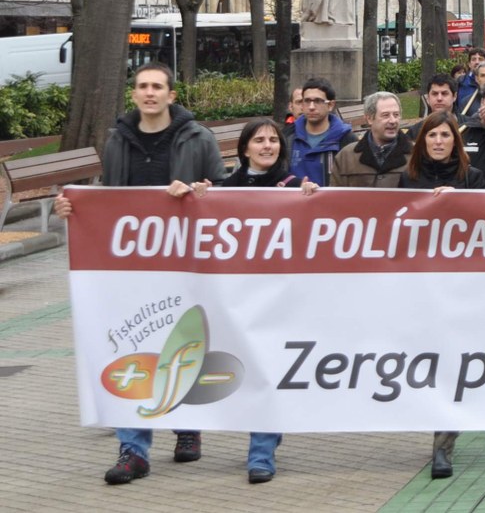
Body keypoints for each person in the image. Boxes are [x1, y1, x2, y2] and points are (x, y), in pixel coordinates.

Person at [53, 63, 225, 485]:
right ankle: (133, 449)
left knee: (184, 343)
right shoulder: (117, 140)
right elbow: (109, 199)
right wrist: (73, 209)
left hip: (186, 264)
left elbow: (225, 195)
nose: (149, 93)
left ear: (171, 94)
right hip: (131, 267)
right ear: (134, 94)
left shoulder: (197, 138)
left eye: (157, 87)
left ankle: (186, 427)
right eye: (142, 86)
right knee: (131, 346)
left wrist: (201, 193)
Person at [177, 118, 318, 482]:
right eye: (259, 140)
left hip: (278, 300)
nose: (268, 146)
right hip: (235, 300)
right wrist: (200, 198)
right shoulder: (225, 190)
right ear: (244, 149)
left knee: (268, 370)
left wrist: (315, 199)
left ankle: (261, 453)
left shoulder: (295, 187)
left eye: (273, 140)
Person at [400, 111, 485, 478]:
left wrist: (461, 201)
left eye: (444, 136)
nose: (438, 141)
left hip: (462, 290)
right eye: (431, 136)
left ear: (455, 141)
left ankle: (443, 447)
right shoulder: (408, 180)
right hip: (422, 290)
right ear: (422, 142)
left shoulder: (473, 179)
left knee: (452, 365)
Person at [329, 91, 414, 187]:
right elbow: (334, 197)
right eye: (385, 115)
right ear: (369, 119)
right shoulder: (346, 157)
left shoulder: (417, 155)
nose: (393, 121)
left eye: (396, 115)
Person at [287, 77, 357, 185]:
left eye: (318, 101)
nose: (311, 107)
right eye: (306, 101)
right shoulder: (288, 136)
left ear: (330, 105)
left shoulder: (347, 139)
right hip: (293, 201)